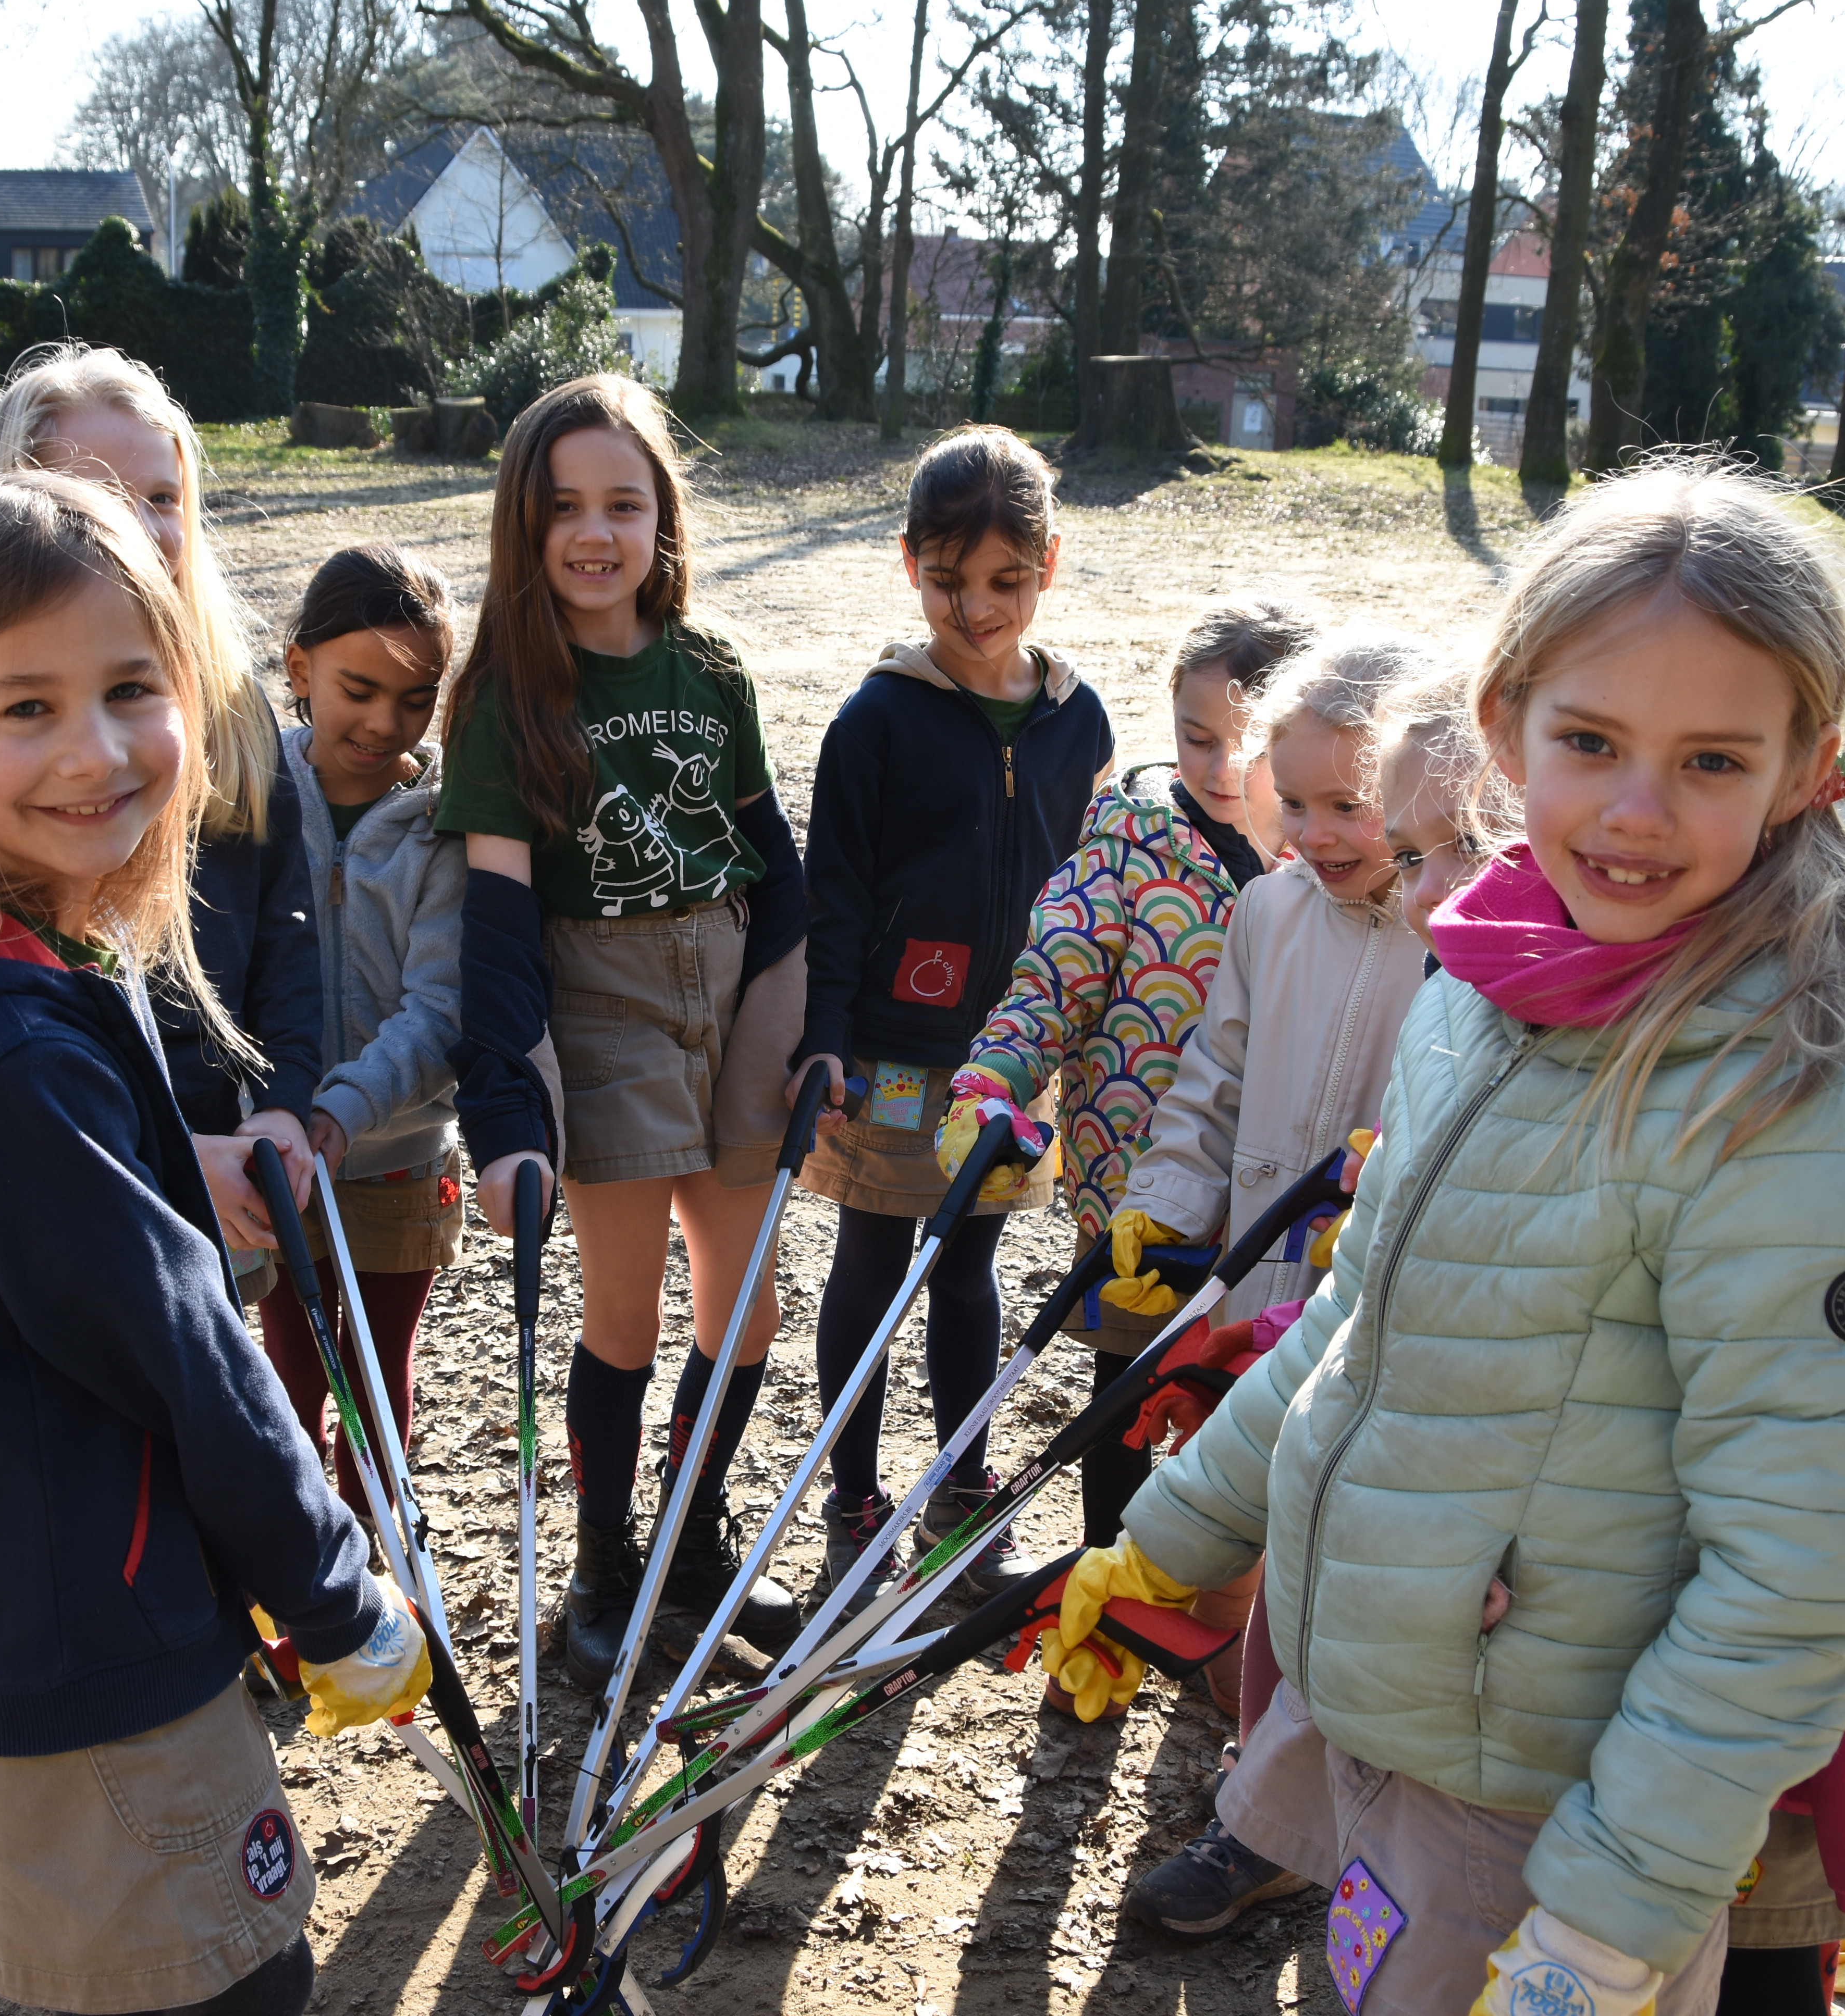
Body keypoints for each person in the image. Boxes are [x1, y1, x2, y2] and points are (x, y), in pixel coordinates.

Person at [1047, 460, 1845, 2015]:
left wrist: (1604, 1925)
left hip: (1559, 1814)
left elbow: (1798, 1580)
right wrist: (1170, 1539)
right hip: (1407, 1712)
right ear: (1505, 727)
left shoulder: (1809, 1088)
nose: (1636, 813)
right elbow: (1353, 1317)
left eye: (1711, 759)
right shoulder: (1496, 968)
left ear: (1807, 772)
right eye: (1590, 743)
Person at [0, 473, 427, 2016]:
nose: (98, 753)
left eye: (133, 690)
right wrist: (338, 1600)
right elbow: (186, 1348)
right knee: (226, 1986)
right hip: (94, 1666)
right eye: (29, 707)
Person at [1120, 654, 1518, 1943]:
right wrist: (1167, 1202)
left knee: (1341, 1563)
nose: (1319, 835)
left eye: (1350, 806)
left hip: (1380, 1311)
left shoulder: (1455, 948)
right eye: (1293, 802)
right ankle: (1276, 1811)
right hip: (1262, 1290)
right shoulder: (1269, 914)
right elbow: (1212, 1075)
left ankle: (1287, 1824)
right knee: (1283, 1541)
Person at [439, 375, 813, 1682]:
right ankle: (602, 1575)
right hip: (600, 1005)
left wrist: (797, 1010)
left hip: (728, 994)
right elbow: (495, 916)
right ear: (523, 526)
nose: (594, 533)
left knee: (750, 1305)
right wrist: (499, 1103)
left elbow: (772, 855)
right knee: (627, 1316)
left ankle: (691, 1552)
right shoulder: (507, 697)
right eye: (563, 508)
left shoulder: (711, 670)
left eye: (624, 504)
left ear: (665, 518)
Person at [793, 426, 1117, 1614]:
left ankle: (962, 1473)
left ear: (1049, 566)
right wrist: (822, 1035)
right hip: (886, 1051)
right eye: (949, 581)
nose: (976, 609)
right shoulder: (874, 719)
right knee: (873, 1260)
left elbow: (1093, 895)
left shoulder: (1080, 722)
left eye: (1006, 581)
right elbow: (832, 898)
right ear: (908, 565)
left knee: (973, 1259)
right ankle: (852, 1489)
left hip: (1009, 1058)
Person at [932, 596, 1306, 1572]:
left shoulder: (1331, 859)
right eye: (1198, 738)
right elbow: (1053, 973)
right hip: (1139, 1198)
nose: (1224, 772)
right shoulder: (1129, 842)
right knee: (1124, 1401)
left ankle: (1222, 1617)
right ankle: (1106, 1594)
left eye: (1253, 747)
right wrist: (995, 1079)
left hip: (1285, 1203)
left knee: (1257, 1402)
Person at [0, 344, 319, 1268]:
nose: (139, 526)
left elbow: (290, 917)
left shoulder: (229, 697)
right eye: (95, 492)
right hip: (59, 1171)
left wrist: (286, 1101)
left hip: (217, 1148)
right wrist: (160, 1154)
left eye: (162, 498)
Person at [253, 544, 468, 1510]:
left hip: (398, 1157)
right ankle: (308, 1581)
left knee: (379, 1377)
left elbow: (438, 1010)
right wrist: (286, 1117)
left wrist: (339, 1114)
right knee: (288, 1375)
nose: (385, 722)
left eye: (416, 698)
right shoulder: (246, 801)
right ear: (299, 670)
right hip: (273, 1151)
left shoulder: (443, 827)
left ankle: (383, 1559)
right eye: (358, 688)